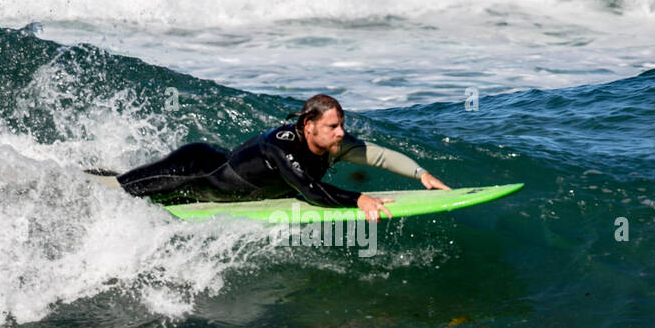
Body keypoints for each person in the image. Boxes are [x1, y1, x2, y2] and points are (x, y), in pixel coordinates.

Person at [87, 94, 448, 222]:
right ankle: (85, 179)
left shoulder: (334, 143)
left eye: (342, 126)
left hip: (219, 192)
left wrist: (421, 174)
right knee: (119, 190)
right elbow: (309, 191)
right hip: (194, 171)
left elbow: (378, 156)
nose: (341, 133)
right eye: (334, 126)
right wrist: (359, 199)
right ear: (309, 126)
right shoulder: (281, 145)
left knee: (148, 199)